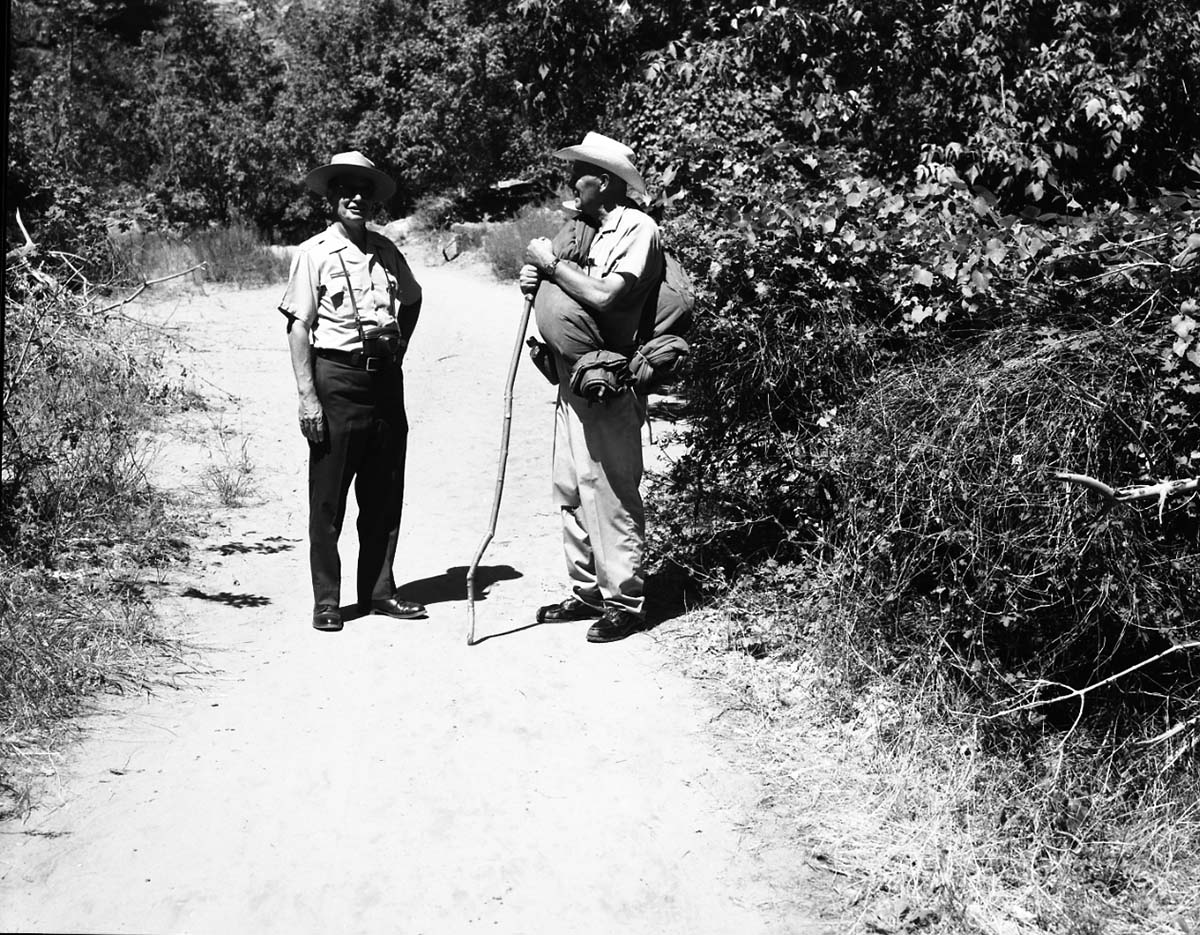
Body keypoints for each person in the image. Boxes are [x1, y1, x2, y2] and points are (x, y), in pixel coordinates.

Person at [520, 132, 665, 643]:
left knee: (609, 490)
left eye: (577, 171)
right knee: (570, 488)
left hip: (609, 383)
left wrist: (551, 267)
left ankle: (625, 600)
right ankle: (588, 592)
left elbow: (605, 296)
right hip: (570, 381)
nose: (569, 181)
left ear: (603, 181)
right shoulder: (584, 228)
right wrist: (537, 282)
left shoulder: (637, 229)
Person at [278, 151, 427, 632]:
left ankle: (380, 591)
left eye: (363, 190)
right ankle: (327, 600)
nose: (356, 198)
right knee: (329, 498)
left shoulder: (385, 251)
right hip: (336, 379)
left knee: (384, 493)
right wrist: (307, 396)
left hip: (385, 381)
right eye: (346, 190)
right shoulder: (313, 253)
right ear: (332, 198)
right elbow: (299, 329)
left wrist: (399, 348)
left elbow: (414, 297)